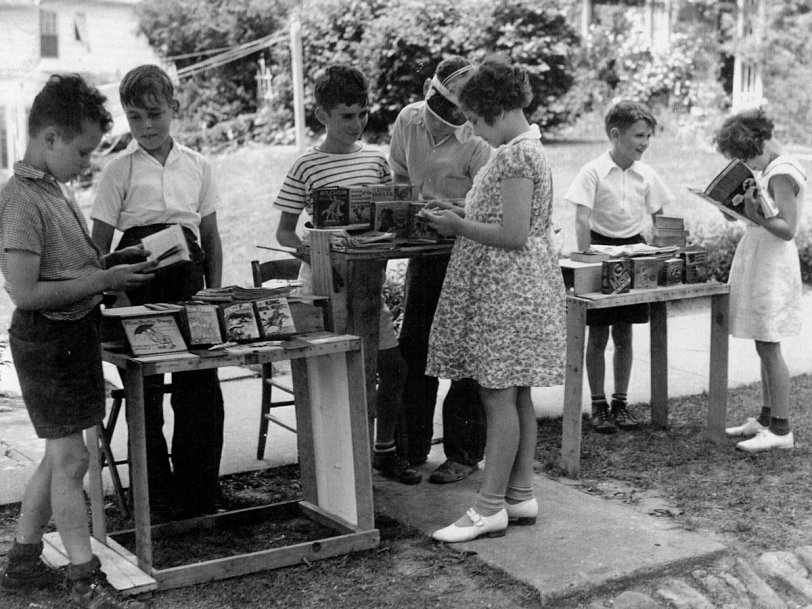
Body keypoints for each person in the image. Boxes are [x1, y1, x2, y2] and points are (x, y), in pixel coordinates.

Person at [0, 74, 154, 608]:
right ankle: (83, 581)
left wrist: (110, 264)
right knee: (72, 463)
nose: (87, 163)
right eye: (83, 151)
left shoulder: (49, 188)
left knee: (56, 457)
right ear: (49, 138)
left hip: (70, 335)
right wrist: (103, 281)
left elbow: (68, 269)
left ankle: (21, 564)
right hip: (47, 340)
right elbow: (24, 292)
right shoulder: (20, 199)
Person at [420, 59, 566, 542]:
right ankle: (520, 494)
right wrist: (459, 209)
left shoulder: (514, 156)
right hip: (517, 285)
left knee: (497, 394)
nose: (472, 129)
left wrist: (457, 226)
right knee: (516, 391)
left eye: (476, 120)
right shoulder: (522, 150)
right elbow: (505, 214)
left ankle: (488, 507)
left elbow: (513, 232)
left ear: (497, 111)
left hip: (509, 288)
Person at [273, 64, 420, 485]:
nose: (356, 124)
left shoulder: (375, 162)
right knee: (333, 375)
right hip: (324, 284)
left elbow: (390, 221)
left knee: (392, 369)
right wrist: (318, 255)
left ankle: (384, 450)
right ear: (321, 115)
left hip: (368, 287)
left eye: (362, 113)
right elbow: (284, 232)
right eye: (345, 116)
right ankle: (336, 464)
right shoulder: (306, 166)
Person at [91, 64, 226, 517]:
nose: (146, 127)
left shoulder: (198, 165)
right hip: (137, 292)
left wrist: (215, 292)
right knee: (145, 396)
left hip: (190, 289)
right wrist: (116, 290)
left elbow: (210, 237)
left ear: (175, 108)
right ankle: (158, 500)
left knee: (201, 385)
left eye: (154, 114)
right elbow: (97, 251)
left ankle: (199, 494)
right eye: (135, 118)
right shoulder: (118, 171)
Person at [389, 55, 492, 484]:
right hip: (422, 252)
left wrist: (451, 209)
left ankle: (463, 454)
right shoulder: (408, 121)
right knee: (415, 347)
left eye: (453, 114)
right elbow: (396, 175)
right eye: (439, 108)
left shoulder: (477, 140)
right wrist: (402, 208)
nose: (442, 121)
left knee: (465, 355)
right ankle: (410, 448)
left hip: (466, 253)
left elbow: (490, 204)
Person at [564, 100, 673, 433]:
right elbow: (581, 219)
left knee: (624, 334)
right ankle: (598, 405)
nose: (644, 143)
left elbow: (661, 219)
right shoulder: (593, 171)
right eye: (638, 135)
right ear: (615, 134)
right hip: (599, 251)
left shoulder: (646, 174)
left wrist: (662, 253)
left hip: (633, 252)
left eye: (648, 136)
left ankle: (620, 404)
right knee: (597, 335)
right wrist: (587, 259)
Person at [718, 109, 805, 452]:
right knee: (761, 340)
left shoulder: (781, 173)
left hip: (773, 263)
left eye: (746, 156)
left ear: (760, 143)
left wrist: (754, 215)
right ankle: (767, 417)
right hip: (760, 257)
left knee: (769, 343)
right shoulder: (770, 167)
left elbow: (787, 229)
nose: (747, 164)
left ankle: (781, 430)